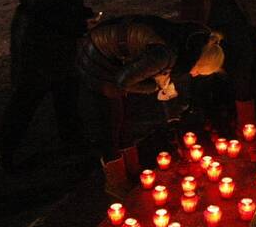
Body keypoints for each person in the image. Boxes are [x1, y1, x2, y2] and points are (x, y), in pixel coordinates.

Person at [0, 0, 93, 172]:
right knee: (27, 97)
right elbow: (43, 9)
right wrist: (77, 24)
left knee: (67, 94)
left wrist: (83, 13)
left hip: (62, 41)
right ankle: (5, 150)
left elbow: (65, 1)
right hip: (37, 42)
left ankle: (72, 141)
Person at [77, 15, 225, 161]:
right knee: (112, 113)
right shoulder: (164, 56)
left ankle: (121, 156)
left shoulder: (188, 41)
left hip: (107, 42)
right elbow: (122, 82)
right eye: (198, 71)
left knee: (122, 113)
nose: (193, 75)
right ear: (196, 61)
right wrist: (153, 86)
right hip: (95, 53)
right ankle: (113, 166)